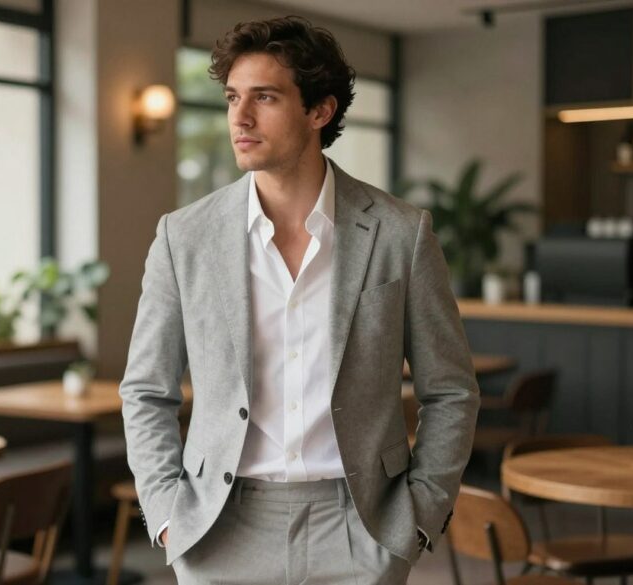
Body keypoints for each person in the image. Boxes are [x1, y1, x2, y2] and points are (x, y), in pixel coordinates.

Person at [120, 15, 479, 584]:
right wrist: (166, 514)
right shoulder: (182, 237)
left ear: (319, 111)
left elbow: (451, 389)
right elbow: (145, 389)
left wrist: (419, 515)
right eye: (234, 97)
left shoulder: (399, 233)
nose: (240, 117)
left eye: (264, 97)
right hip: (218, 527)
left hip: (361, 526)